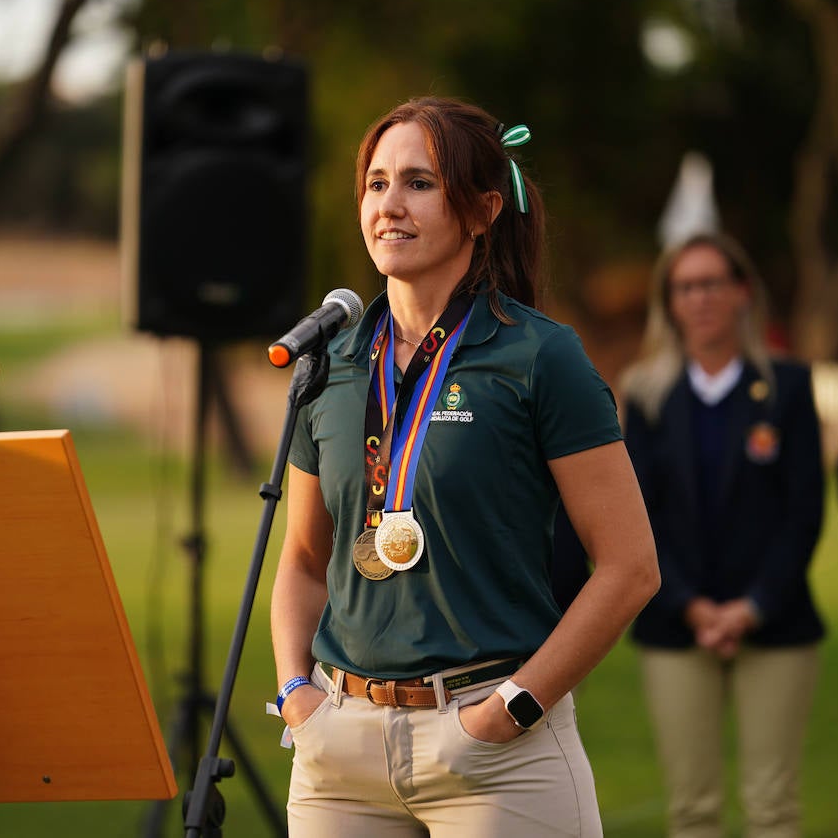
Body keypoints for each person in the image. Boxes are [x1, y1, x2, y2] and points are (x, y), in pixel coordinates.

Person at [269, 96, 660, 837]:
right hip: (339, 753)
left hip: (494, 749)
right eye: (376, 183)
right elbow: (302, 559)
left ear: (482, 210)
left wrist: (512, 708)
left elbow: (631, 566)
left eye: (419, 182)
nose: (390, 204)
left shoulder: (541, 357)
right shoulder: (332, 362)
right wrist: (297, 695)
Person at [618, 231, 825, 838]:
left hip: (775, 622)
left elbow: (804, 513)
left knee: (773, 806)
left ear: (741, 293)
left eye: (712, 283)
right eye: (685, 287)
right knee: (692, 809)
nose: (700, 297)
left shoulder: (786, 388)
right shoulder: (646, 394)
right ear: (670, 302)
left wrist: (752, 607)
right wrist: (692, 607)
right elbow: (637, 516)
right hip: (677, 624)